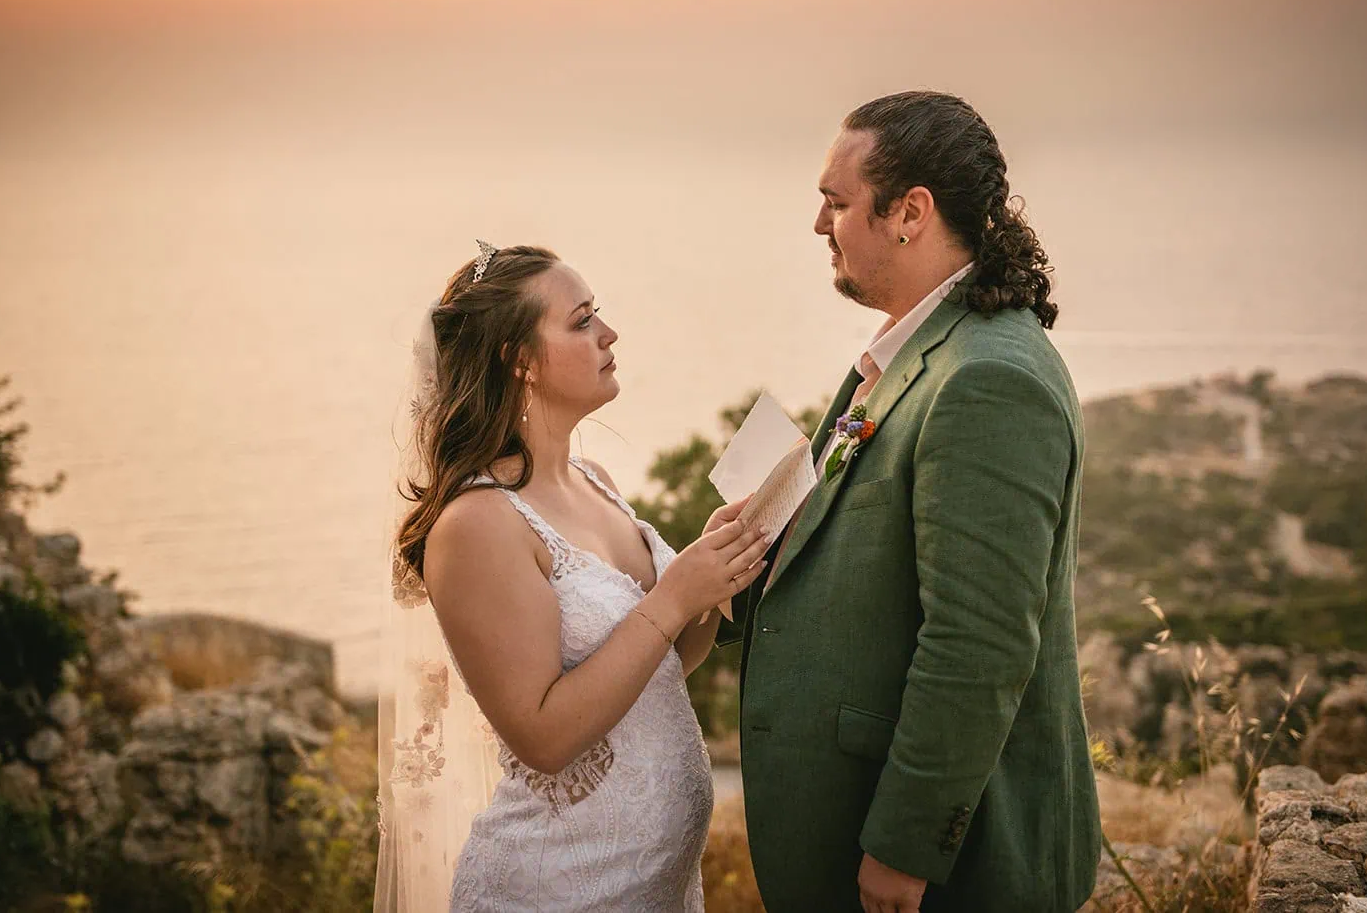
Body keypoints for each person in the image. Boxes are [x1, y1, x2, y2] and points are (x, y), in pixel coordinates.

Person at [720, 92, 1103, 912]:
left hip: (954, 873)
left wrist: (904, 846)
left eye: (837, 202)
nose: (821, 225)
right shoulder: (920, 349)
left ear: (910, 213)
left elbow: (981, 640)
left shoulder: (988, 379)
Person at [374, 242, 771, 911]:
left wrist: (715, 573)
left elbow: (665, 662)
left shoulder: (596, 483)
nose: (608, 334)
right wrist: (674, 596)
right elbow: (544, 736)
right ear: (521, 360)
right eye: (582, 320)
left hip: (657, 889)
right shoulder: (476, 525)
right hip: (555, 888)